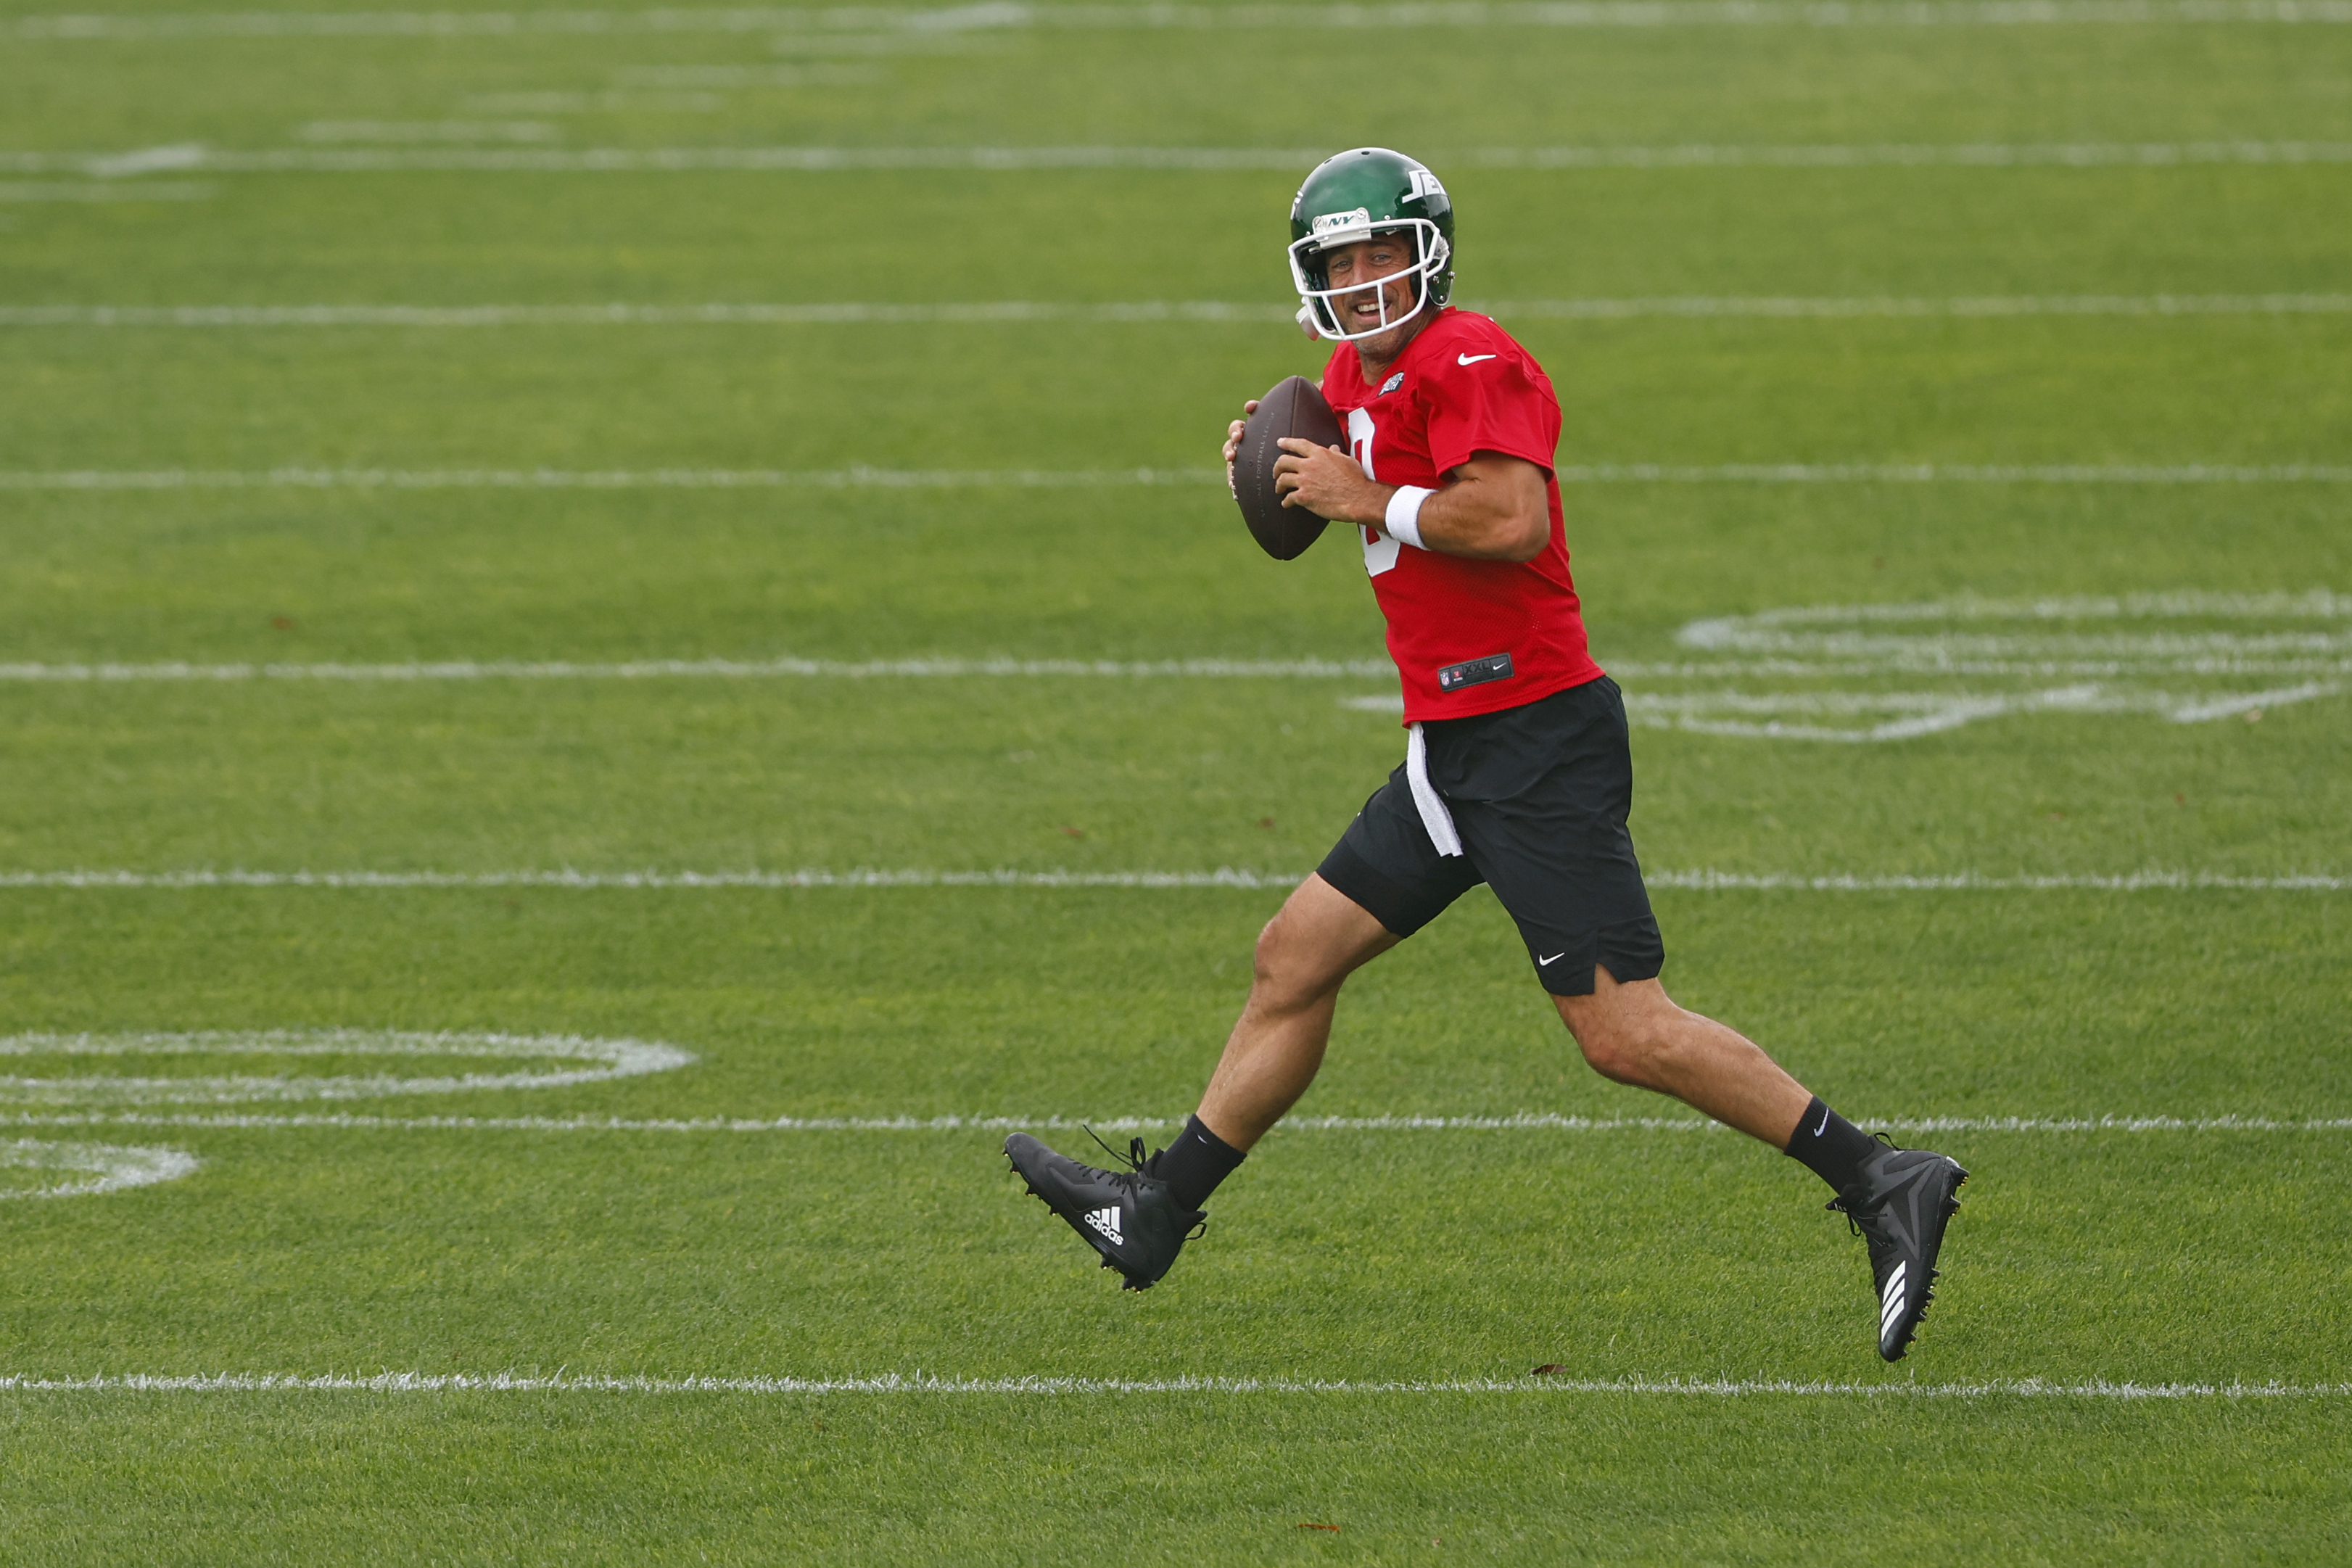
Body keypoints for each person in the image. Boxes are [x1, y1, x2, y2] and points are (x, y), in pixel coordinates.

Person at [1006, 147, 1967, 1361]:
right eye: (1338, 261)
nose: (1363, 280)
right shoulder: (1347, 381)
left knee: (1621, 1030)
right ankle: (1156, 1211)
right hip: (1451, 748)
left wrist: (1369, 496)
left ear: (1430, 255)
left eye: (1382, 253)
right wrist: (1279, 464)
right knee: (1292, 958)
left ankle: (1883, 1176)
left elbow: (1510, 518)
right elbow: (1337, 476)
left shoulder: (1472, 356)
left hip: (1530, 739)